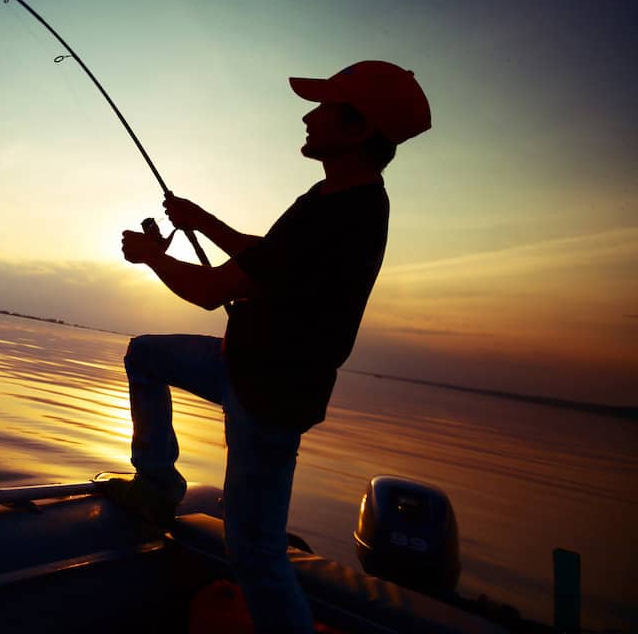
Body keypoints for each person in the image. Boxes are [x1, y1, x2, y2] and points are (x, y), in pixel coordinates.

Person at [110, 60, 432, 633]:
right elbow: (269, 253)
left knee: (255, 552)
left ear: (357, 128)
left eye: (325, 108)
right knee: (145, 353)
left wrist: (152, 255)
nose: (309, 116)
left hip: (267, 402)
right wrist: (200, 220)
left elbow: (212, 291)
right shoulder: (342, 197)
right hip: (242, 366)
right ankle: (157, 482)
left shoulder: (340, 215)